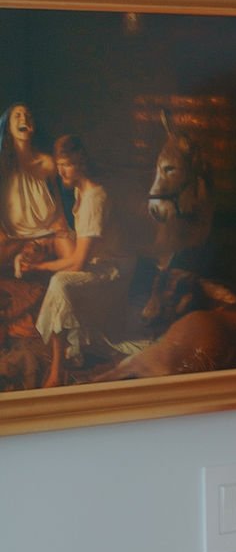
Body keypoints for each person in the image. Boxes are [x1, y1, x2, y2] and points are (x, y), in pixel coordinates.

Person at [21, 135, 126, 388]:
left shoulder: (94, 198)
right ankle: (69, 349)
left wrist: (39, 267)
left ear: (81, 164)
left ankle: (57, 372)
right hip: (95, 262)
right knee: (58, 239)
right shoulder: (80, 190)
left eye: (66, 165)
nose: (61, 171)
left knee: (60, 282)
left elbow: (78, 263)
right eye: (58, 165)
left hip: (110, 271)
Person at [0, 104, 69, 271]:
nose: (24, 119)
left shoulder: (47, 162)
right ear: (8, 126)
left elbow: (57, 200)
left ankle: (35, 258)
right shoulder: (3, 164)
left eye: (28, 116)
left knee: (72, 259)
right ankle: (27, 254)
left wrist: (61, 224)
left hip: (48, 232)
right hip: (14, 236)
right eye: (17, 116)